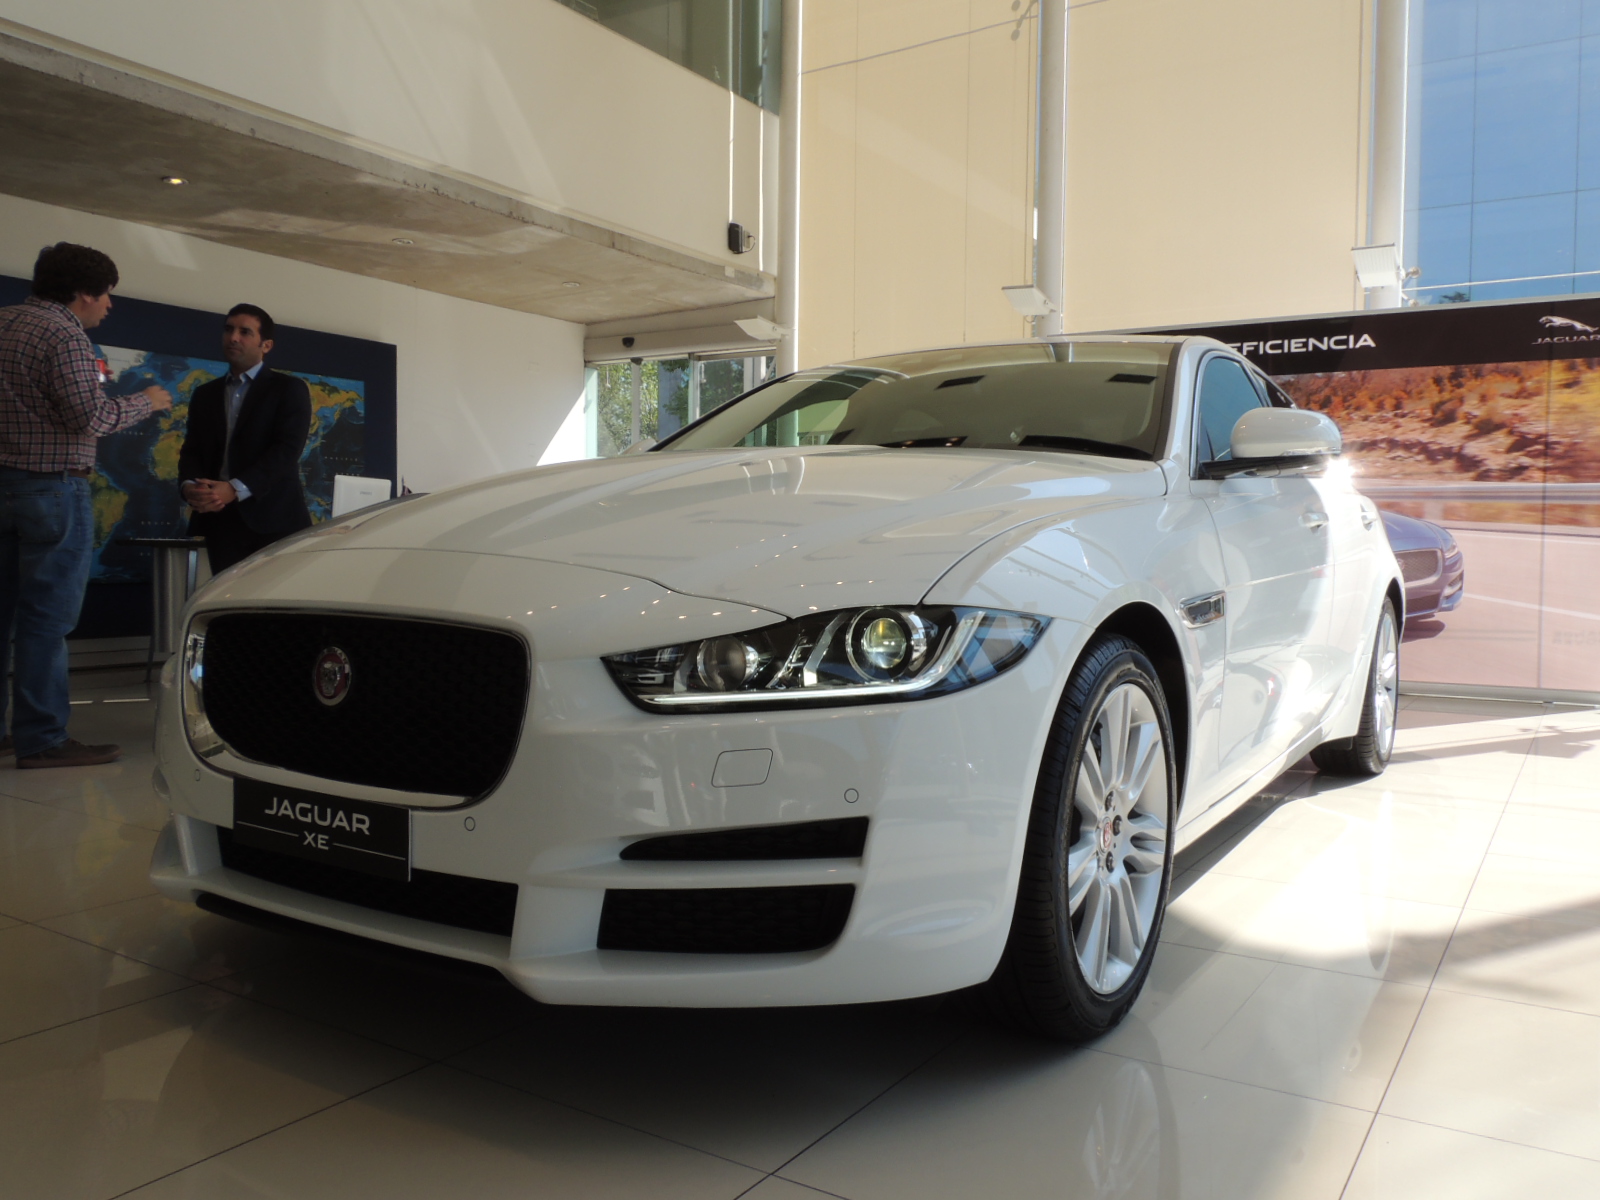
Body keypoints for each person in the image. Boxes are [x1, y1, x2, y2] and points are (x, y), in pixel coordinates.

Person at [0, 243, 172, 768]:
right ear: (83, 293)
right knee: (46, 620)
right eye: (106, 295)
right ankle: (42, 739)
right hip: (52, 490)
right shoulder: (65, 334)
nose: (109, 305)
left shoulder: (3, 322)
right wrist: (147, 401)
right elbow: (90, 418)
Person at [178, 304, 312, 573]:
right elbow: (192, 450)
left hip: (274, 521)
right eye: (228, 330)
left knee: (274, 598)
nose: (233, 338)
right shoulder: (205, 394)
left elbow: (286, 451)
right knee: (225, 598)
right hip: (219, 522)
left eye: (245, 332)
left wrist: (234, 488)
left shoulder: (288, 389)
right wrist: (189, 486)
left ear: (266, 345)